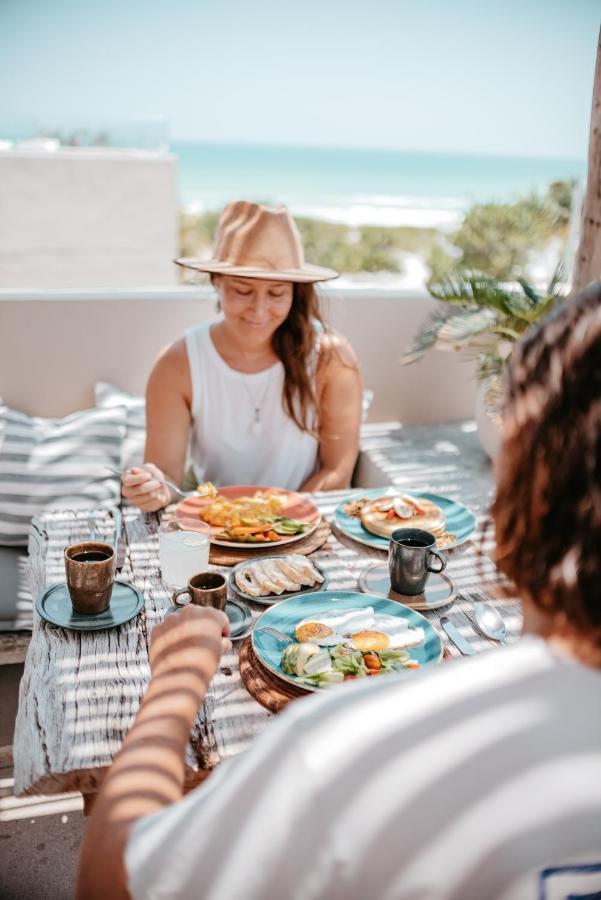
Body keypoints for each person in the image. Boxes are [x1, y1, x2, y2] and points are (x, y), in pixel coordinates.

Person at [77, 284, 601, 900]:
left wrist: (174, 682)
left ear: (528, 491)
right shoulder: (186, 359)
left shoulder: (345, 749)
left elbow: (111, 882)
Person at [121, 201, 363, 510]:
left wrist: (277, 521)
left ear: (295, 291)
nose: (259, 311)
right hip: (216, 527)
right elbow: (167, 476)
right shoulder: (177, 363)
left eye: (276, 293)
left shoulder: (332, 357)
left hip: (305, 521)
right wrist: (152, 488)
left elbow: (337, 471)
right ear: (217, 282)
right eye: (242, 290)